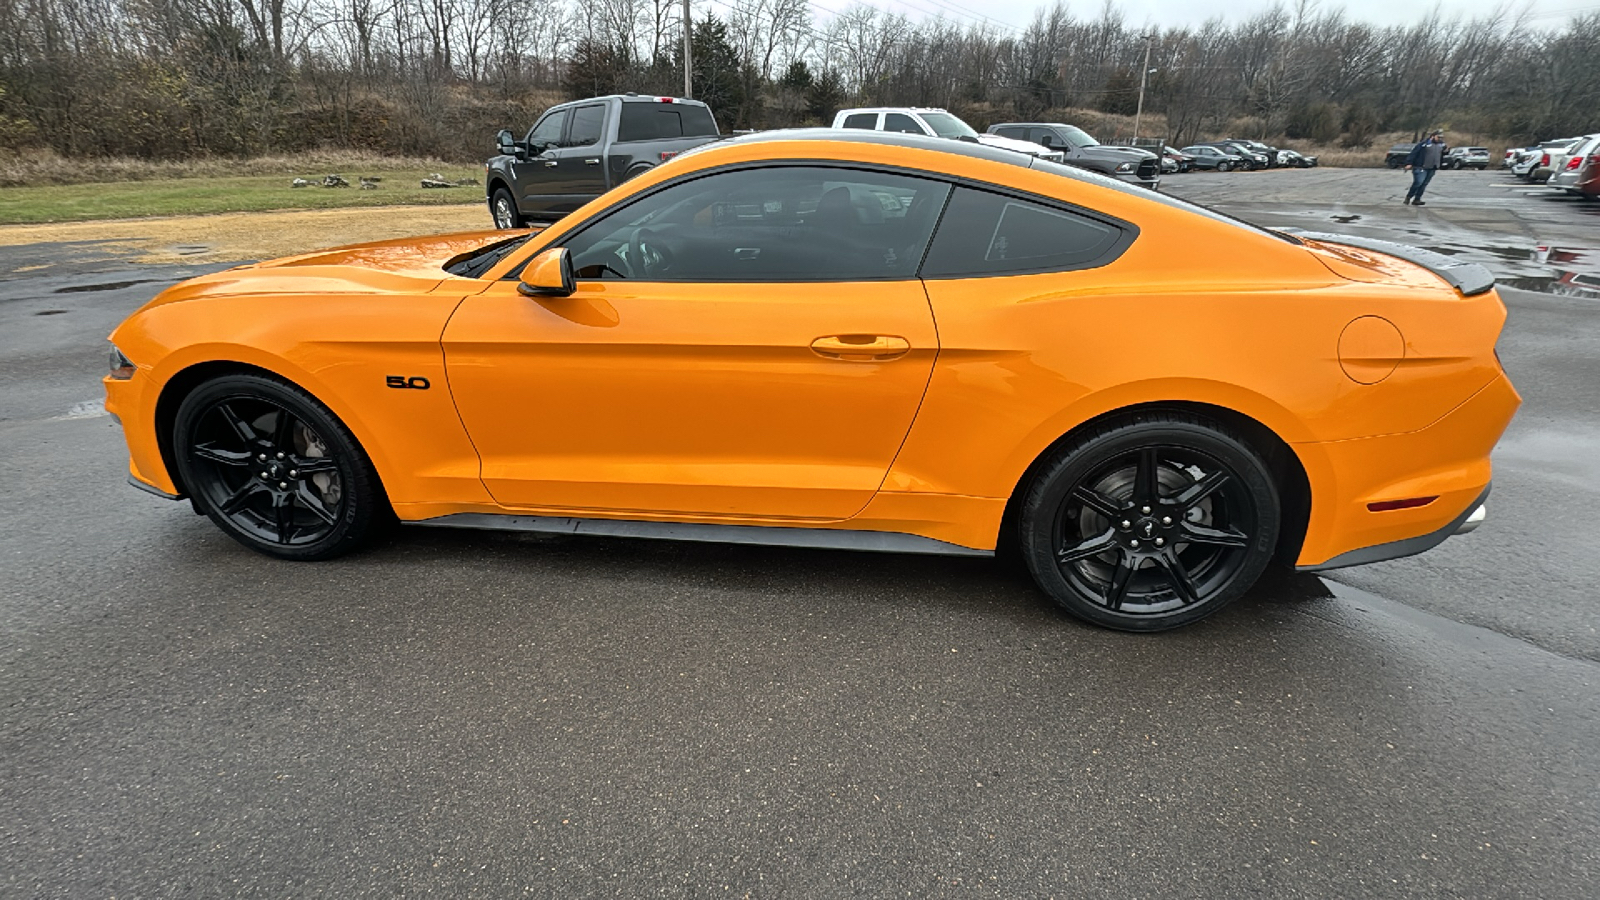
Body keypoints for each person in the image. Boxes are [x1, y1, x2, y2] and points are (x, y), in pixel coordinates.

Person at [1403, 131, 1446, 206]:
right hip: (1421, 167)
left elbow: (1442, 154)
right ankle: (1409, 196)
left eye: (1441, 138)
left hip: (1432, 167)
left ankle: (1417, 199)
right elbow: (1414, 153)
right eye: (1438, 137)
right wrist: (1409, 163)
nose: (1439, 139)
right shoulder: (1423, 144)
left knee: (1424, 184)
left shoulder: (1441, 145)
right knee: (1418, 182)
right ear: (1432, 136)